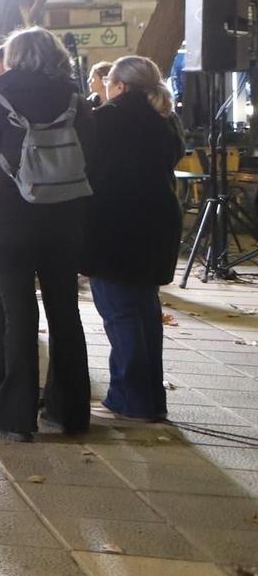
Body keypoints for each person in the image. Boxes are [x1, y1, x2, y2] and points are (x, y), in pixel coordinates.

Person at [0, 26, 95, 441]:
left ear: (16, 57)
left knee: (18, 313)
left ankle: (15, 416)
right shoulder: (75, 99)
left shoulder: (1, 98)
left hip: (12, 217)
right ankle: (70, 411)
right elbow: (93, 157)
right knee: (65, 309)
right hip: (66, 215)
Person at [84, 55, 183, 424]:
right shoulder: (165, 117)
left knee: (120, 312)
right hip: (158, 220)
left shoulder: (108, 118)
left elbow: (89, 165)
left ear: (121, 85)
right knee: (144, 312)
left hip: (116, 223)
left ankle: (131, 399)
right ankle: (149, 398)